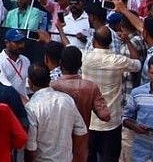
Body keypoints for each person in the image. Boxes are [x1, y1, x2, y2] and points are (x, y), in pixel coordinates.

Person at [53, 19, 141, 162]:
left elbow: (68, 47)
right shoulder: (118, 60)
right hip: (111, 122)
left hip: (89, 121)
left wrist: (60, 30)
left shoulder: (85, 57)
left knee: (88, 157)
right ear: (110, 42)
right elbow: (137, 64)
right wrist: (128, 42)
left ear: (94, 41)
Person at [24, 63, 87, 162]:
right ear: (49, 80)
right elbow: (81, 131)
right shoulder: (67, 100)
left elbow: (31, 147)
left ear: (30, 83)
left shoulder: (31, 107)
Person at [50, 45, 111, 128]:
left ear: (60, 63)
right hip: (82, 138)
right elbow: (105, 115)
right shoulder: (91, 87)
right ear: (80, 64)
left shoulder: (52, 86)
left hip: (58, 138)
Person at [0, 28, 31, 100]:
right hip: (6, 102)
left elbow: (28, 86)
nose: (21, 46)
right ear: (7, 43)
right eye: (17, 42)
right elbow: (5, 86)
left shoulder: (26, 60)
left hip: (24, 103)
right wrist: (22, 100)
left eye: (22, 42)